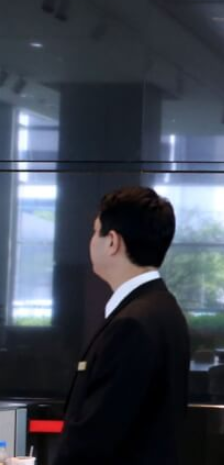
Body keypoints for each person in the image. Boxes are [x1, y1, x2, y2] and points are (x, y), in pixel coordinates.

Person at [55, 187, 190, 465]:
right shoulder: (163, 307)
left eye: (96, 231)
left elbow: (95, 439)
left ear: (112, 242)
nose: (92, 241)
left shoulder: (132, 324)